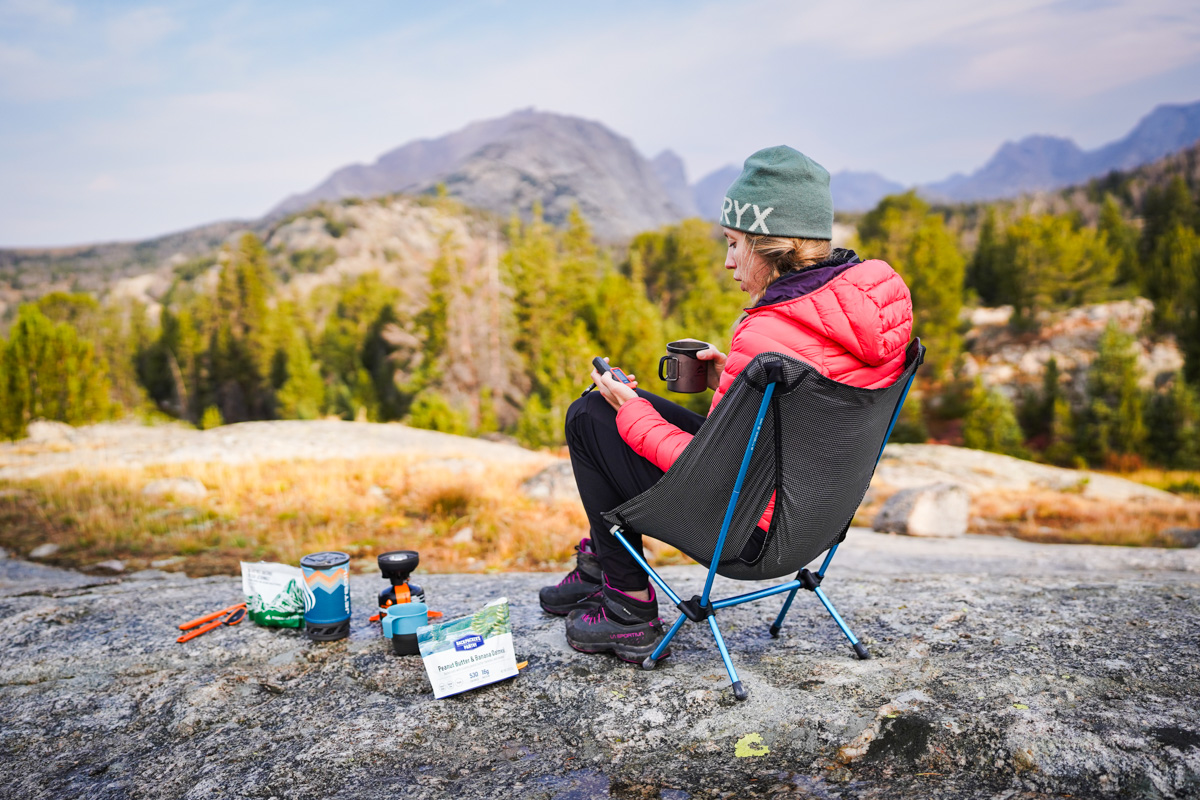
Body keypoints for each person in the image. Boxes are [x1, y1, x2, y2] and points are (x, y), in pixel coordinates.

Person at [540, 145, 914, 663]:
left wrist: (632, 413)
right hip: (813, 523)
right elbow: (808, 412)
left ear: (772, 247)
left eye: (735, 243)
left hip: (747, 538)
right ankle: (601, 564)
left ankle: (625, 604)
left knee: (591, 417)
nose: (728, 260)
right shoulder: (873, 313)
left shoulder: (767, 330)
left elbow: (715, 474)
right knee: (621, 413)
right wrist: (731, 382)